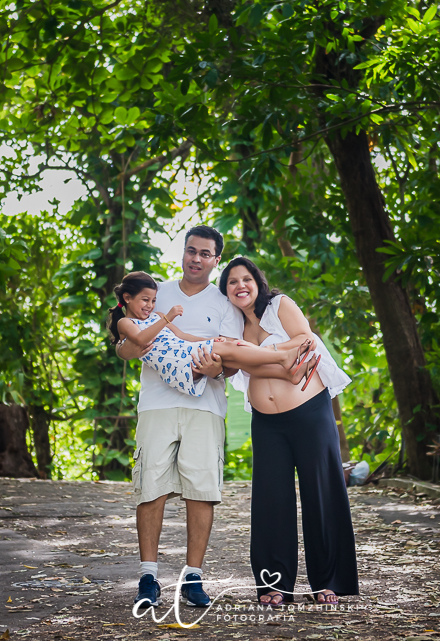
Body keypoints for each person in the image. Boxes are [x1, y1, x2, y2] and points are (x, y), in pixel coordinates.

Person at [115, 228, 318, 611]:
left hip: (206, 407)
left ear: (215, 260)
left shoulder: (224, 302)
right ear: (183, 253)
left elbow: (230, 360)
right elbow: (127, 339)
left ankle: (193, 577)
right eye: (190, 251)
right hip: (156, 405)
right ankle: (148, 576)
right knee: (150, 489)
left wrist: (214, 370)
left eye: (205, 254)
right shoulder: (156, 292)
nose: (196, 259)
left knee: (201, 491)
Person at [220, 256, 358, 606]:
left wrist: (255, 352)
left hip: (310, 413)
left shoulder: (280, 305)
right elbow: (231, 361)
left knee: (321, 494)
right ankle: (274, 584)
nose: (240, 286)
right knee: (271, 501)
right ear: (226, 291)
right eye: (232, 282)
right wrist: (268, 356)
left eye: (246, 278)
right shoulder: (232, 326)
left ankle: (327, 581)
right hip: (266, 423)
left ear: (258, 281)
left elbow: (305, 341)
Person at [109, 271, 316, 396]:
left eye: (153, 301)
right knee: (233, 348)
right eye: (145, 300)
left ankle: (288, 371)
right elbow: (139, 339)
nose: (150, 305)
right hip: (175, 363)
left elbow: (183, 336)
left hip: (186, 352)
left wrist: (211, 340)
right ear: (127, 298)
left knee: (234, 356)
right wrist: (167, 318)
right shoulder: (126, 323)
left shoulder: (157, 316)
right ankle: (283, 357)